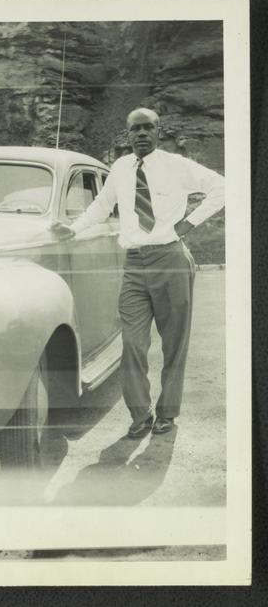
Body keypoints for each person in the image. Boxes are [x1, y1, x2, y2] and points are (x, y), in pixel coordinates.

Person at [51, 107, 224, 438]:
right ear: (127, 134)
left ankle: (167, 413)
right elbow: (101, 207)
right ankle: (140, 414)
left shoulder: (177, 165)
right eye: (135, 129)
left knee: (174, 343)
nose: (141, 134)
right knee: (132, 342)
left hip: (170, 259)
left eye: (148, 128)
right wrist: (72, 230)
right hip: (134, 264)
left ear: (159, 131)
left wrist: (188, 223)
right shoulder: (120, 167)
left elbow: (221, 187)